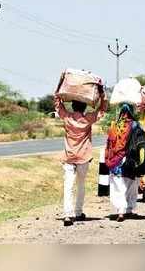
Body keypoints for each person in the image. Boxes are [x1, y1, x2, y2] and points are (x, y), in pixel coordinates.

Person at [54, 87, 107, 227]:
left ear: (72, 106)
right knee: (81, 185)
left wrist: (60, 87)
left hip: (69, 158)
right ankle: (78, 212)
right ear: (84, 107)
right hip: (83, 158)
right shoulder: (88, 119)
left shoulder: (66, 118)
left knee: (68, 186)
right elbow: (102, 110)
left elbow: (57, 104)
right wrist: (102, 95)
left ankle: (67, 215)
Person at [105, 103, 138, 222]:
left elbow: (109, 144)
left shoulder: (114, 126)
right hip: (130, 160)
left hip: (115, 161)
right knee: (130, 185)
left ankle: (120, 211)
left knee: (118, 186)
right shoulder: (134, 125)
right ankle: (128, 209)